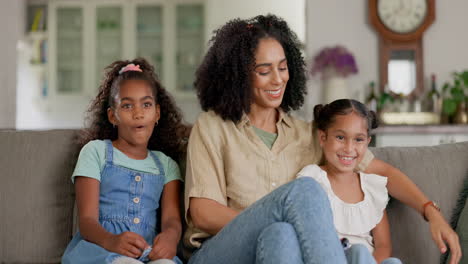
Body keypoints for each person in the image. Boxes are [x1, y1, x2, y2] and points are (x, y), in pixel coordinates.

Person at [184, 14, 461, 264]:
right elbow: (203, 213)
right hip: (219, 253)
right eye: (264, 71)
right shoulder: (212, 127)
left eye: (282, 67)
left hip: (272, 247)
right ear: (239, 76)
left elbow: (384, 173)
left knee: (280, 234)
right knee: (304, 192)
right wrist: (274, 214)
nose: (278, 79)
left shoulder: (309, 134)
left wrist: (432, 213)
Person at [62, 58, 187, 264]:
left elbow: (171, 219)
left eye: (146, 104)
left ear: (157, 113)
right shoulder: (95, 152)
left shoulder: (167, 165)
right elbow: (86, 221)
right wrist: (111, 241)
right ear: (113, 116)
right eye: (127, 105)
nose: (138, 113)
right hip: (101, 249)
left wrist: (171, 238)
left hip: (148, 252)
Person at [297, 99, 402, 264]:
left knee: (393, 263)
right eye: (340, 137)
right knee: (358, 251)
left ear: (367, 142)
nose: (348, 148)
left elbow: (383, 246)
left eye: (358, 140)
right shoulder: (313, 180)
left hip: (368, 261)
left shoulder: (371, 188)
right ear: (322, 138)